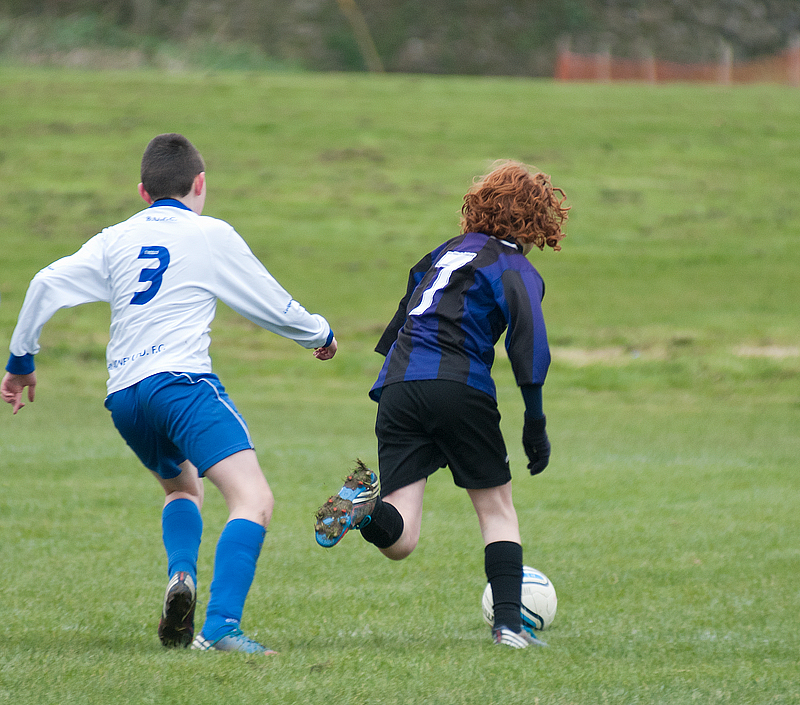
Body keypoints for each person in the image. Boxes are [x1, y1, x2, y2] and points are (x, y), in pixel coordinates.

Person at [2, 133, 338, 654]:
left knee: (182, 488)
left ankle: (182, 575)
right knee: (253, 499)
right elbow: (270, 303)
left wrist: (21, 362)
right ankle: (221, 627)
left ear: (142, 192)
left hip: (125, 397)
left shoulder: (113, 238)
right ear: (199, 184)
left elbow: (45, 282)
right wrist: (321, 334)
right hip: (181, 386)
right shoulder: (208, 233)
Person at [314, 160, 568, 649]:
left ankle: (365, 510)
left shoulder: (446, 252)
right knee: (498, 511)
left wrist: (400, 382)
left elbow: (408, 309)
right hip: (459, 385)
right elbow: (530, 346)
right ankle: (510, 629)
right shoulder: (516, 267)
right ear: (538, 221)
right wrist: (535, 422)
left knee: (401, 537)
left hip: (398, 385)